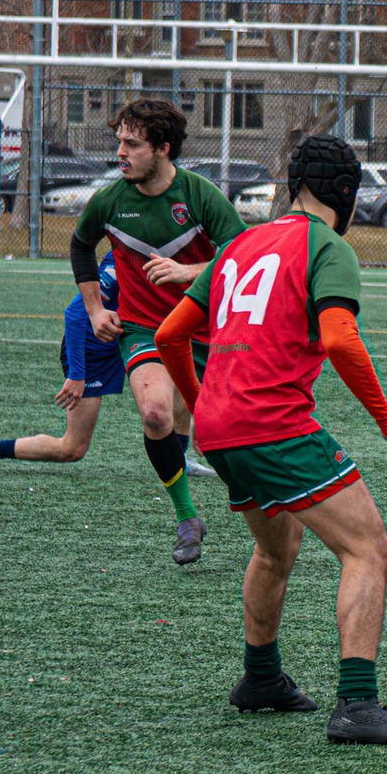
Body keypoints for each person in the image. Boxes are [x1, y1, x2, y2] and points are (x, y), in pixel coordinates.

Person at [156, 134, 387, 746]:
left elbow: (170, 334)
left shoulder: (239, 245)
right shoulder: (328, 246)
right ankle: (358, 706)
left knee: (276, 547)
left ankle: (260, 679)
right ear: (347, 192)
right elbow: (338, 339)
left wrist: (203, 405)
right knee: (370, 549)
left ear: (293, 186)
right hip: (272, 424)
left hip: (220, 429)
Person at [72, 98, 246, 564]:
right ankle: (187, 516)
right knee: (155, 415)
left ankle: (273, 510)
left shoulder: (198, 195)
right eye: (119, 143)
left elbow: (240, 255)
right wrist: (93, 309)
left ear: (163, 149)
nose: (121, 153)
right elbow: (81, 245)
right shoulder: (109, 201)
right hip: (143, 329)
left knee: (219, 428)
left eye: (132, 144)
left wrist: (190, 273)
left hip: (205, 331)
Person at [0, 255, 217, 481]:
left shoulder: (181, 254)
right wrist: (77, 375)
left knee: (180, 369)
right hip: (91, 350)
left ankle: (177, 459)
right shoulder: (123, 258)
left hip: (131, 340)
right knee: (72, 448)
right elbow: (76, 315)